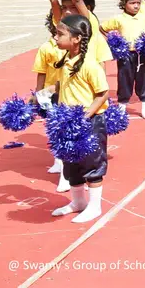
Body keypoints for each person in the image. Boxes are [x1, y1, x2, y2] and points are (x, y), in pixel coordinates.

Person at [48, 14, 111, 223]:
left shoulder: (90, 65)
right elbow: (62, 85)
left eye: (60, 34)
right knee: (71, 164)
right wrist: (42, 94)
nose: (55, 37)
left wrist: (85, 116)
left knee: (91, 163)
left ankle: (95, 206)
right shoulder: (66, 60)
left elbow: (103, 93)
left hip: (88, 122)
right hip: (67, 121)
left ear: (76, 39)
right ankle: (78, 202)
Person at [100, 0, 145, 115]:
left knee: (144, 79)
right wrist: (113, 40)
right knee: (124, 79)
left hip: (142, 54)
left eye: (138, 3)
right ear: (124, 4)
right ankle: (122, 106)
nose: (136, 6)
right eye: (132, 3)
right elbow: (102, 28)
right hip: (125, 54)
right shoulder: (118, 19)